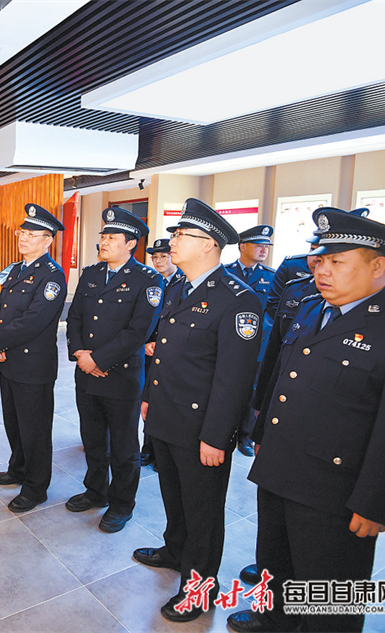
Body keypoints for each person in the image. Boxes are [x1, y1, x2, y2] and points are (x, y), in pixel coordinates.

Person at [227, 208, 385, 633]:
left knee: (331, 594)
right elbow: (282, 377)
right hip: (280, 467)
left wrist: (377, 502)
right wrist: (261, 433)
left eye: (337, 262)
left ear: (377, 267)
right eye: (321, 260)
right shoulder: (312, 308)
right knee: (276, 559)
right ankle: (275, 618)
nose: (322, 271)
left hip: (335, 490)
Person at [133, 198, 262, 623]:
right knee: (174, 496)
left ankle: (200, 586)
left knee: (202, 510)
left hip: (201, 428)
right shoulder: (179, 287)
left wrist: (217, 436)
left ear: (208, 245)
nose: (172, 241)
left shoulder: (238, 300)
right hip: (166, 416)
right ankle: (175, 550)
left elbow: (234, 379)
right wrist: (149, 396)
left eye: (181, 235)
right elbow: (165, 353)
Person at [65, 207, 163, 533]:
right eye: (103, 236)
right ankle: (96, 491)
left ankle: (122, 504)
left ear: (131, 243)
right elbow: (75, 317)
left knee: (123, 446)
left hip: (121, 376)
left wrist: (98, 360)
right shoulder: (91, 274)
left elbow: (138, 331)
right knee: (93, 438)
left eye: (111, 237)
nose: (103, 242)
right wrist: (80, 352)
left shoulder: (148, 280)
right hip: (86, 373)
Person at [0, 203, 66, 513]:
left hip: (33, 366)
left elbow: (33, 321)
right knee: (14, 422)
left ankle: (36, 487)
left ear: (48, 240)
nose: (24, 238)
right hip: (9, 361)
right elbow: (0, 308)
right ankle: (18, 468)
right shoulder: (17, 269)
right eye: (22, 232)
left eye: (32, 234)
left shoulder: (52, 276)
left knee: (35, 429)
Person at [224, 225, 275, 456]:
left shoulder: (271, 277)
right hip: (228, 344)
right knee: (227, 387)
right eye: (258, 245)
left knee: (252, 390)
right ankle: (226, 430)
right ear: (243, 246)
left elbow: (273, 312)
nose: (264, 249)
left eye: (266, 246)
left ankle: (245, 436)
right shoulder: (226, 273)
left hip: (258, 345)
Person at [141, 238, 184, 469]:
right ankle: (147, 448)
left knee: (165, 404)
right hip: (148, 351)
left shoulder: (183, 282)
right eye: (155, 257)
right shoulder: (149, 280)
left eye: (163, 256)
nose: (158, 261)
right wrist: (145, 343)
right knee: (148, 400)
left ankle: (161, 453)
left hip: (170, 352)